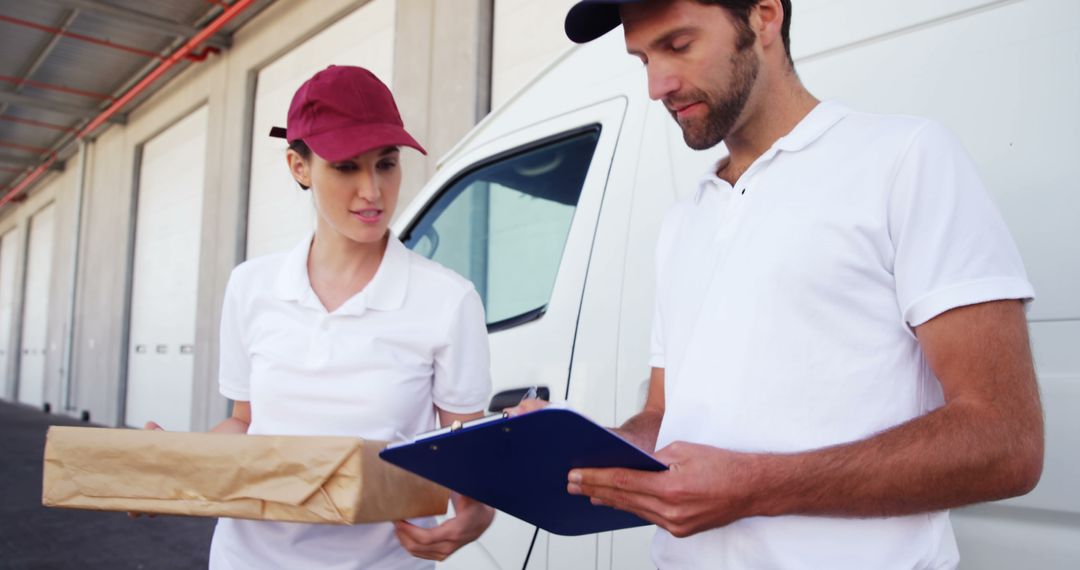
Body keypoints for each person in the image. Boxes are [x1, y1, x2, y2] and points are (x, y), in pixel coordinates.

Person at [533, 1, 1044, 568]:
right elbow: (664, 417)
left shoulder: (904, 160)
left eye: (678, 46)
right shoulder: (685, 222)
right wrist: (570, 445)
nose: (658, 85)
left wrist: (753, 486)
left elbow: (1006, 442)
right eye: (643, 59)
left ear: (764, 17)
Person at [146, 65, 495, 569]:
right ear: (298, 166)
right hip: (249, 559)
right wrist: (175, 464)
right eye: (347, 167)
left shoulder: (447, 300)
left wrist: (477, 513)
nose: (372, 191)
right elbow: (245, 422)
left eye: (387, 164)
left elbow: (463, 451)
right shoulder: (252, 287)